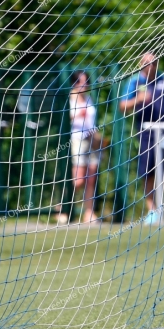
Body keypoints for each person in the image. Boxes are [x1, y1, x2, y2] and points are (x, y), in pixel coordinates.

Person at [119, 52, 164, 224]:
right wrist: (137, 100)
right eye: (147, 63)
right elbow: (122, 106)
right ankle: (152, 211)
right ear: (141, 64)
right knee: (148, 172)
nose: (150, 66)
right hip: (146, 133)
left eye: (153, 63)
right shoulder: (134, 82)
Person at [69, 70, 101, 223]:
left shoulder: (89, 99)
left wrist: (97, 136)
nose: (84, 85)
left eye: (86, 81)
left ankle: (89, 213)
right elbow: (65, 118)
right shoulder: (70, 99)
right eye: (80, 82)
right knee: (78, 179)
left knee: (91, 179)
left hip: (91, 140)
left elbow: (91, 121)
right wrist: (77, 114)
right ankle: (62, 208)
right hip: (77, 140)